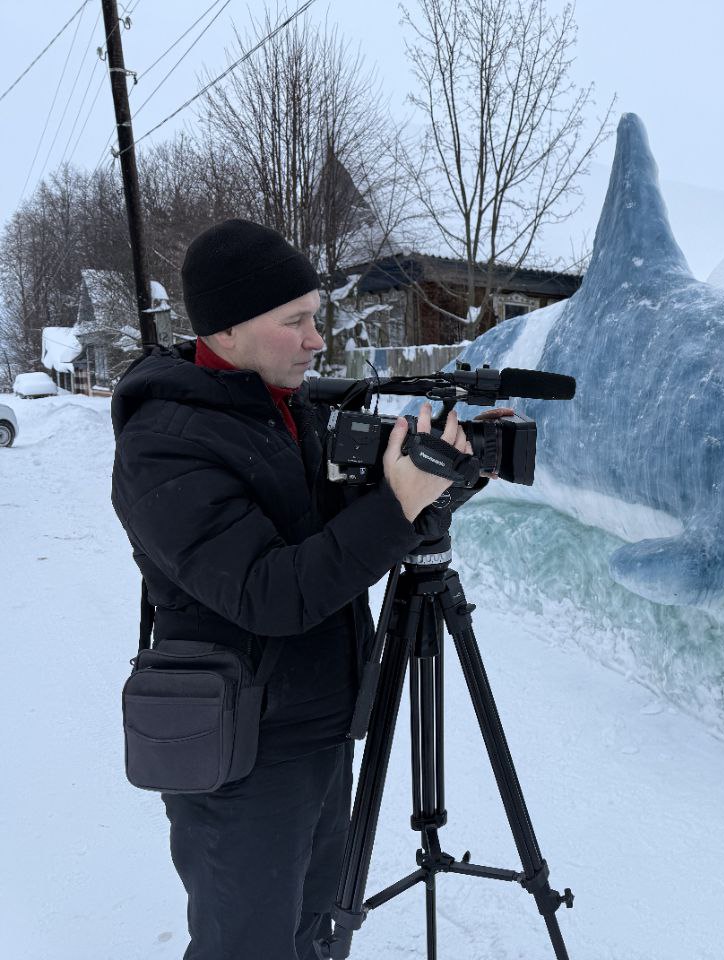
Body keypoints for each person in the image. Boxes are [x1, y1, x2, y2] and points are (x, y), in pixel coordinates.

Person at [110, 218, 498, 959]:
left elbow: (343, 543)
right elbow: (271, 594)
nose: (318, 340)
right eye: (295, 321)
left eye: (315, 317)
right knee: (248, 946)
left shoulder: (292, 410)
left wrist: (440, 478)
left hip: (323, 725)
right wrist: (396, 504)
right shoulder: (163, 444)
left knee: (315, 933)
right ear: (224, 331)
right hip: (240, 753)